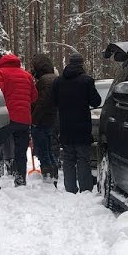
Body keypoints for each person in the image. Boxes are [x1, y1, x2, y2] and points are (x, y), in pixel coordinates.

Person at [0, 52, 37, 188]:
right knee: (20, 151)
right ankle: (20, 180)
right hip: (24, 119)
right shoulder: (27, 75)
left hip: (6, 118)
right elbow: (34, 97)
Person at [52, 53, 102, 193]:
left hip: (65, 125)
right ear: (81, 64)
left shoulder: (58, 82)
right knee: (83, 158)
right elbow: (96, 101)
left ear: (69, 63)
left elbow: (54, 102)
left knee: (68, 159)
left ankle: (70, 188)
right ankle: (85, 188)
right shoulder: (86, 81)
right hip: (82, 126)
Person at [30, 54, 60, 186]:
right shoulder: (53, 78)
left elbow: (42, 103)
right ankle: (52, 175)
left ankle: (48, 177)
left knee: (43, 150)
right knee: (48, 148)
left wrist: (34, 119)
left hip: (42, 120)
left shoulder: (45, 81)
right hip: (50, 119)